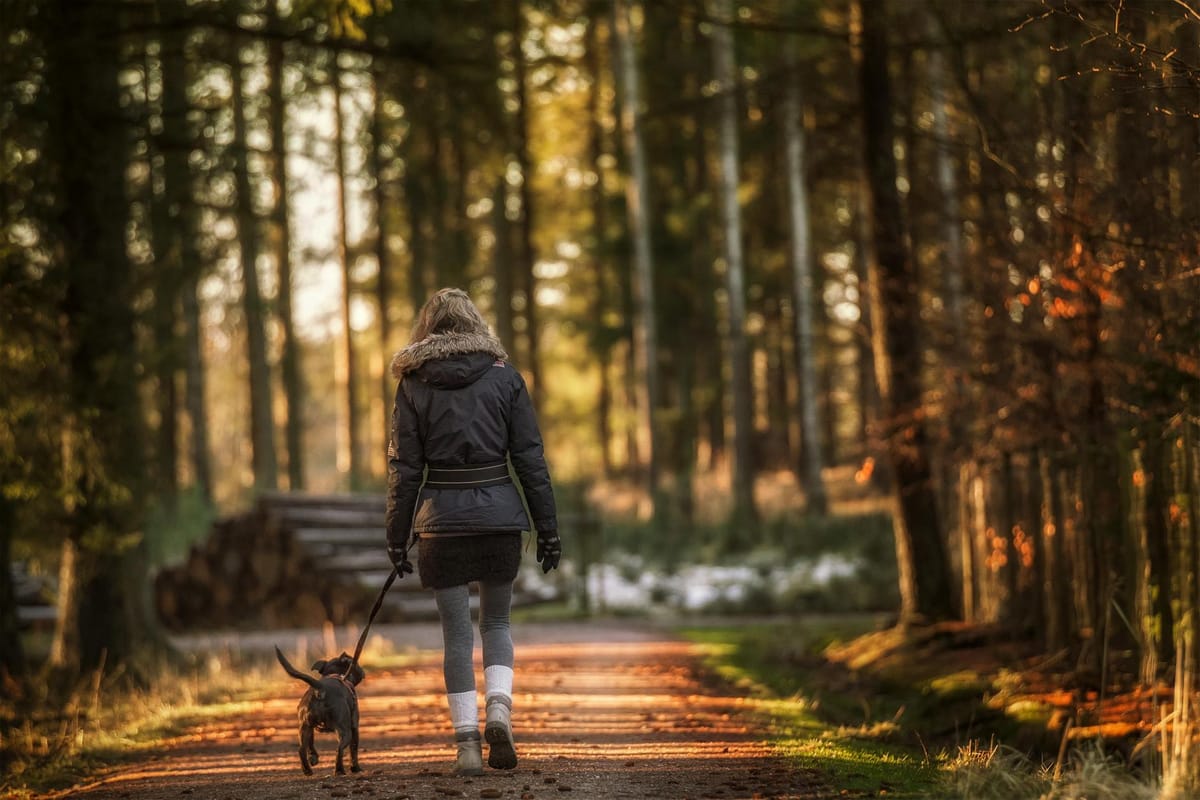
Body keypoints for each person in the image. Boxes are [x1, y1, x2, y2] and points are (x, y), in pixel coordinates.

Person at [385, 287, 560, 776]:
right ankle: (498, 710)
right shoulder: (506, 378)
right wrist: (548, 528)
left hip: (441, 524)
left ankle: (466, 746)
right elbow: (529, 458)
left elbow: (404, 469)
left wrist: (396, 536)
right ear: (475, 324)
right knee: (497, 624)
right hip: (500, 518)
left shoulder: (413, 384)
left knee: (457, 638)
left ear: (428, 328)